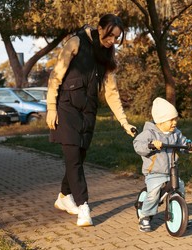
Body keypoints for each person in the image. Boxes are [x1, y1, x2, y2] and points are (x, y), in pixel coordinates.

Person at [46, 14, 136, 227]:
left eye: (117, 38)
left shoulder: (107, 57)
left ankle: (63, 197)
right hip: (66, 108)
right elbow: (55, 76)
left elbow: (111, 93)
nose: (113, 41)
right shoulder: (76, 42)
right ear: (99, 28)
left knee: (79, 158)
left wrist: (125, 122)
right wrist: (51, 108)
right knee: (73, 157)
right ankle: (83, 206)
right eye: (110, 35)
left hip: (88, 112)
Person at [133, 97, 192, 232]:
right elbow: (137, 145)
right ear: (160, 120)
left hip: (171, 171)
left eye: (176, 119)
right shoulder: (149, 133)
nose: (175, 122)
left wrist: (191, 145)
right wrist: (151, 145)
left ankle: (181, 214)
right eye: (171, 120)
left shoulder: (176, 134)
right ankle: (145, 216)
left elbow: (184, 142)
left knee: (180, 187)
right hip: (154, 172)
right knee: (153, 193)